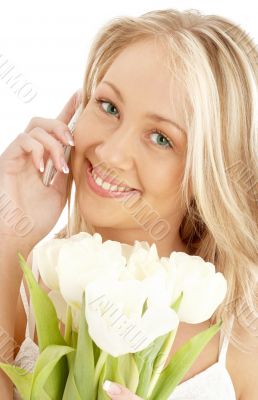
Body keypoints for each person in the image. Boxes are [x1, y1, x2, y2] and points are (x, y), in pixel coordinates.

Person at [0, 8, 257, 400]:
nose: (110, 152)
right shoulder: (22, 282)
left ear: (210, 174)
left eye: (161, 138)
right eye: (109, 107)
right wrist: (7, 238)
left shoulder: (240, 339)